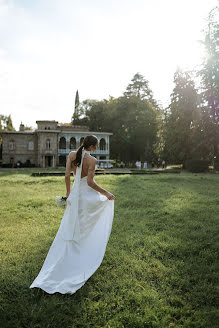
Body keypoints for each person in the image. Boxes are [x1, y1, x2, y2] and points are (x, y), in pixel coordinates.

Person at [29, 135, 115, 294]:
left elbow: (67, 176)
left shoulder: (71, 155)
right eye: (96, 146)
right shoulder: (92, 160)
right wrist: (107, 193)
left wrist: (69, 193)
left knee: (70, 227)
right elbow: (90, 183)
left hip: (75, 195)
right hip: (87, 196)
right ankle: (81, 255)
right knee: (87, 223)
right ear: (93, 146)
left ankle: (66, 257)